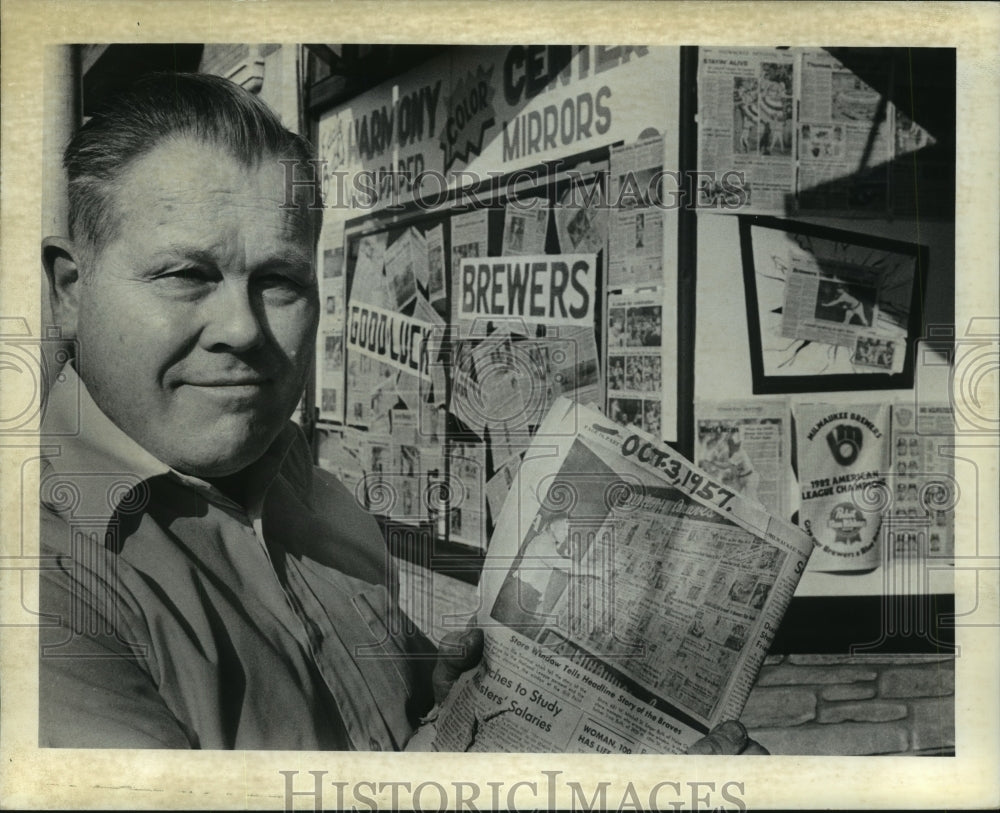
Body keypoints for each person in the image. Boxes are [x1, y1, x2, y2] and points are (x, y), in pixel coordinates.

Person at [39, 71, 759, 755]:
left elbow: (393, 735)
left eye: (279, 280)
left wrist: (450, 706)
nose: (244, 327)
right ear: (71, 289)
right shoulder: (39, 573)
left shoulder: (321, 503)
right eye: (187, 274)